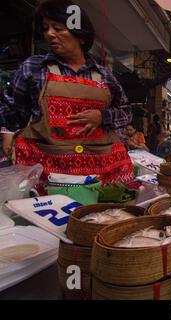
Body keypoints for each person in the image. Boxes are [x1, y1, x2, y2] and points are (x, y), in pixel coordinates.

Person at [0, 0, 134, 185]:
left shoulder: (104, 75)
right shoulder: (33, 68)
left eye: (58, 28)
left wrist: (103, 117)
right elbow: (11, 115)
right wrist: (8, 136)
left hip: (99, 173)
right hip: (47, 174)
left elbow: (127, 112)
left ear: (81, 35)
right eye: (46, 28)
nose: (50, 35)